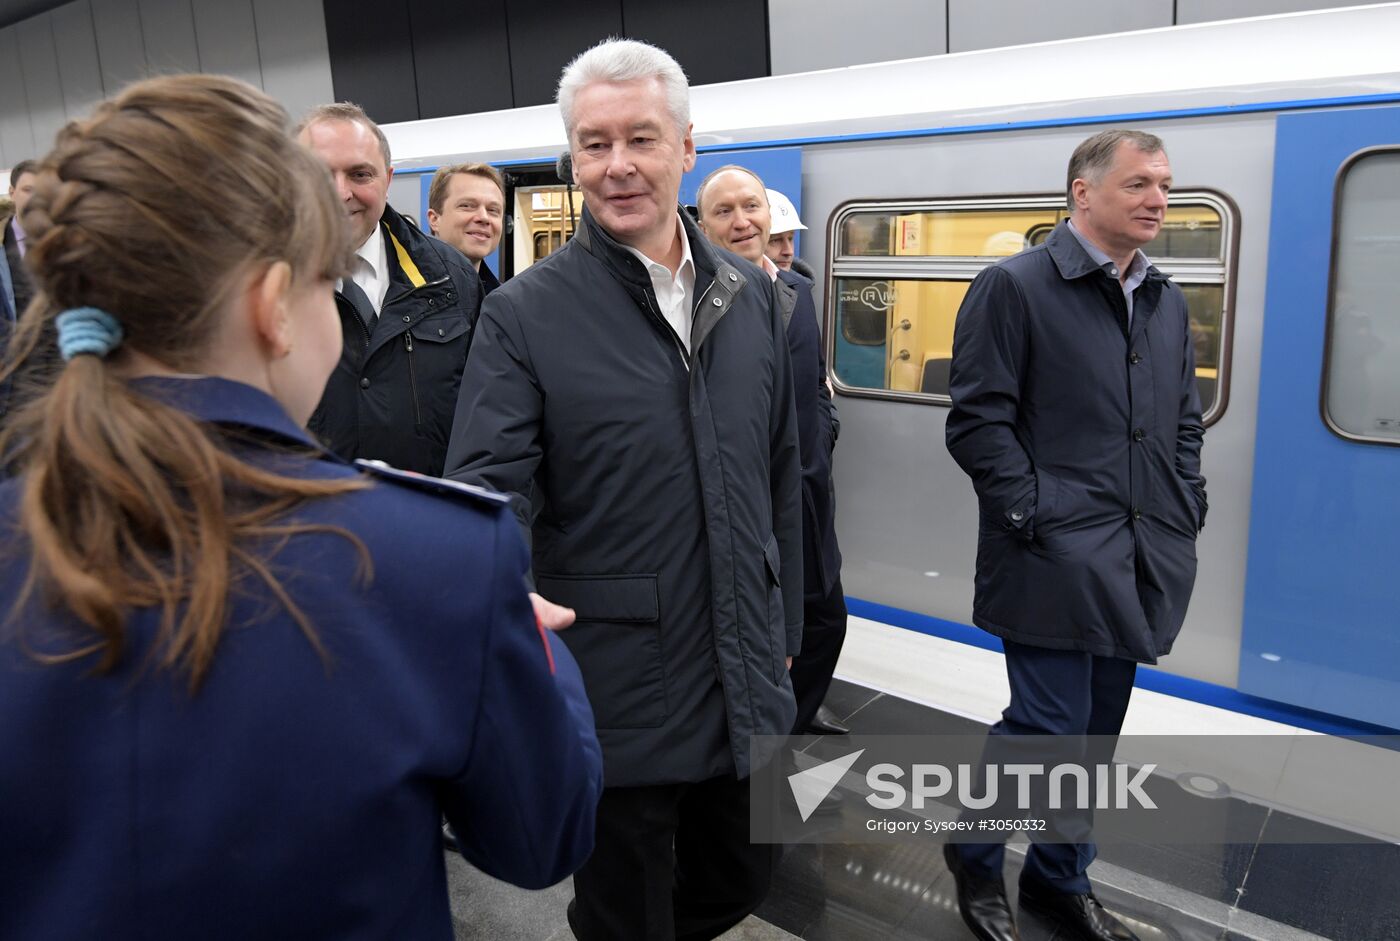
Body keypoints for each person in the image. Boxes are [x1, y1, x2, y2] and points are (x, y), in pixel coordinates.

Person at [0, 74, 602, 940]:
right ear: (271, 307)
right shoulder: (439, 562)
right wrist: (529, 636)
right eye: (328, 282)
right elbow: (545, 835)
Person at [444, 38, 803, 941]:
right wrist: (504, 600)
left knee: (741, 878)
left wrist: (788, 624)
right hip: (618, 680)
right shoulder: (525, 314)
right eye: (593, 145)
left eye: (639, 139)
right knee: (623, 911)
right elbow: (488, 486)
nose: (616, 167)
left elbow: (782, 472)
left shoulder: (751, 297)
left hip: (747, 669)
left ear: (687, 148)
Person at [943, 129, 1206, 941]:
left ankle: (1061, 877)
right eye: (1138, 184)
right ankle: (978, 857)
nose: (1158, 198)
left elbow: (1181, 422)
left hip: (1138, 553)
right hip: (1050, 555)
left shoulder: (1163, 298)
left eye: (1163, 184)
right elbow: (978, 424)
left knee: (1094, 733)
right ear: (1082, 193)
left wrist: (1184, 502)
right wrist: (1037, 515)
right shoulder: (1014, 287)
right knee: (1045, 730)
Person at [696, 166, 847, 737]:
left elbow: (812, 387)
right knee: (750, 627)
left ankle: (793, 719)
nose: (742, 222)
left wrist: (822, 438)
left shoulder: (797, 291)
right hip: (739, 498)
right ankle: (756, 739)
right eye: (724, 212)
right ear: (702, 224)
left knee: (825, 619)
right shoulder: (699, 299)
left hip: (806, 493)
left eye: (751, 207)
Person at [296, 103, 481, 477]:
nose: (339, 192)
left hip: (429, 518)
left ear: (388, 179)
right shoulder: (256, 284)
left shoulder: (450, 277)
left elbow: (487, 413)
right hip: (311, 522)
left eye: (360, 174)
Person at [426, 162, 506, 295]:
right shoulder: (402, 297)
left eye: (493, 210)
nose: (484, 217)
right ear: (434, 219)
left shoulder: (503, 302)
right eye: (467, 206)